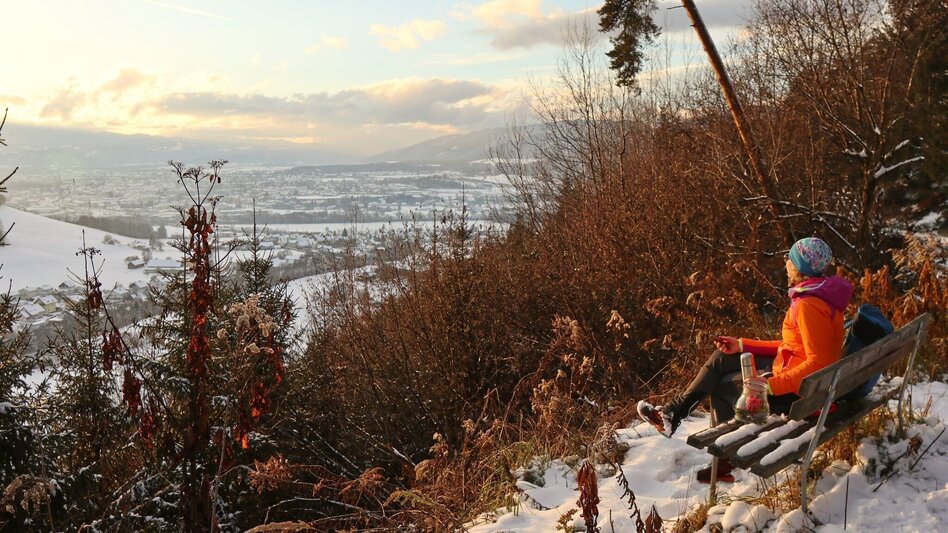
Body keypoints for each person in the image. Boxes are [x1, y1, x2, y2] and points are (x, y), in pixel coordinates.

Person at [636, 237, 853, 482]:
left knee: (721, 387)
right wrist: (741, 345)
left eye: (790, 259)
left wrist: (769, 385)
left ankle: (724, 462)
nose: (786, 263)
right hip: (801, 382)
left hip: (798, 395)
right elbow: (793, 346)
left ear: (800, 267)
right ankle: (671, 415)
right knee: (722, 358)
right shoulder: (818, 295)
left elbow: (817, 363)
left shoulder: (808, 305)